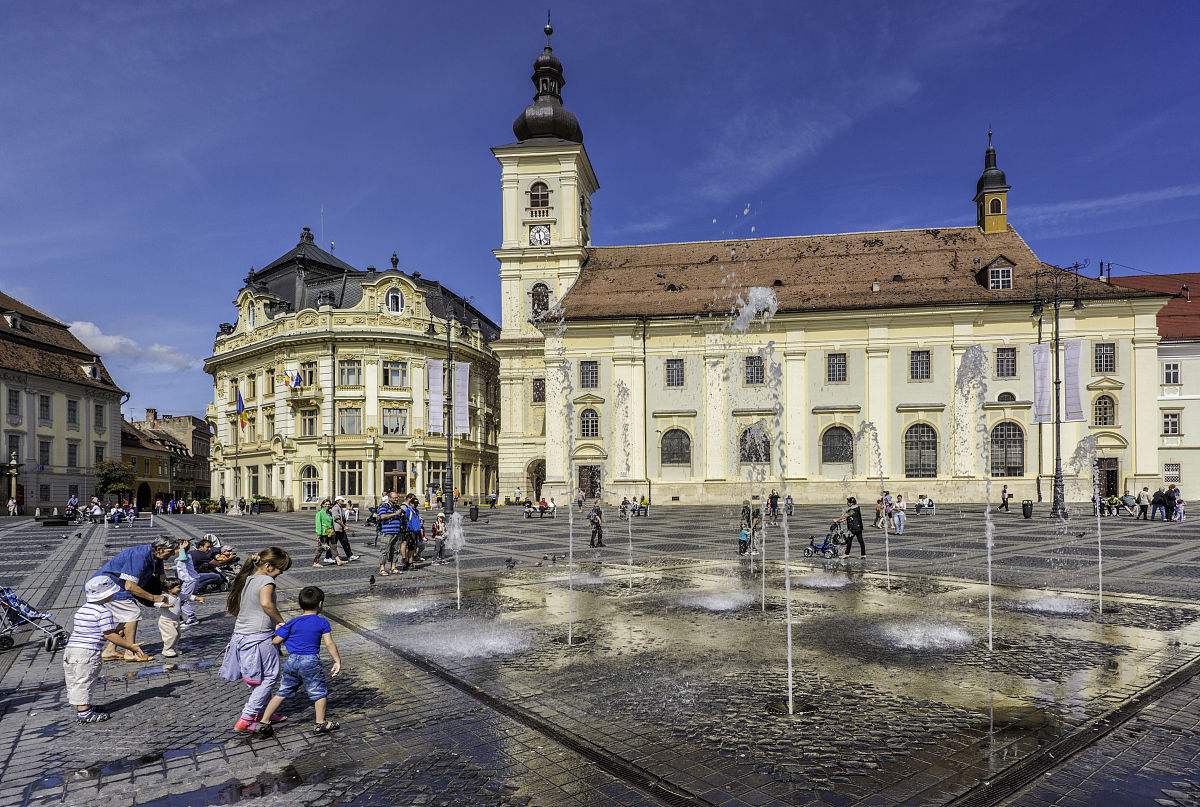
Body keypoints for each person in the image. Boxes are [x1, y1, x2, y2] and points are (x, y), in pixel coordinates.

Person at [220, 546, 292, 732]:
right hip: (258, 637)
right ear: (268, 566)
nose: (280, 573)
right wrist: (281, 622)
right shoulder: (267, 580)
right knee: (269, 676)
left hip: (242, 636)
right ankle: (247, 717)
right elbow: (266, 604)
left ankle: (264, 712)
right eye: (279, 569)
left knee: (258, 679)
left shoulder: (249, 578)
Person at [253, 586, 343, 736]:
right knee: (319, 692)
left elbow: (275, 641)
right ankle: (320, 723)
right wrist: (337, 660)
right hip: (310, 661)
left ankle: (264, 721)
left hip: (292, 661)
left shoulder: (292, 622)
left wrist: (278, 630)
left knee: (282, 691)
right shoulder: (322, 622)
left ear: (300, 604)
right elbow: (329, 643)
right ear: (320, 604)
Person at [64, 576, 147, 723]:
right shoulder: (103, 612)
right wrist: (130, 645)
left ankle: (84, 707)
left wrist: (117, 628)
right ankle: (84, 713)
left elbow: (93, 629)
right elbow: (109, 635)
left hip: (72, 649)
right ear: (108, 594)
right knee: (86, 679)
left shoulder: (82, 609)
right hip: (87, 652)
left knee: (75, 679)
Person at [92, 536, 176, 662]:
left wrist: (171, 594)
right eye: (170, 552)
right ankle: (131, 652)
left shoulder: (157, 557)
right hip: (107, 586)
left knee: (126, 620)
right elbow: (130, 586)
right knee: (132, 614)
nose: (172, 555)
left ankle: (110, 650)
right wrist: (154, 598)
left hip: (117, 587)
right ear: (159, 549)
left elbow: (162, 579)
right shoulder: (140, 556)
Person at [377, 491, 404, 576]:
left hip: (396, 531)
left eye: (397, 497)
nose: (397, 499)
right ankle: (382, 568)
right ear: (389, 498)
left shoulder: (397, 507)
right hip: (387, 532)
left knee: (395, 551)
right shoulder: (384, 506)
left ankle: (393, 567)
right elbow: (382, 516)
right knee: (384, 550)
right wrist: (395, 514)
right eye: (395, 498)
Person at [155, 577, 184, 658]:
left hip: (176, 620)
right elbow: (156, 603)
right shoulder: (165, 596)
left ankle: (174, 648)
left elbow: (187, 596)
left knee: (177, 635)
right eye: (178, 587)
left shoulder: (178, 596)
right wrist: (166, 605)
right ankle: (167, 650)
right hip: (166, 621)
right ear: (169, 588)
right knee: (172, 635)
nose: (180, 589)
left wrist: (197, 598)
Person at [312, 499, 342, 567]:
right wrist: (318, 534)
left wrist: (334, 530)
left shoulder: (329, 513)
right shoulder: (319, 513)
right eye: (326, 504)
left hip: (330, 532)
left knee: (333, 546)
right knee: (321, 548)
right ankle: (315, 562)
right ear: (322, 505)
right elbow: (318, 524)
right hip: (323, 533)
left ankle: (338, 560)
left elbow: (332, 523)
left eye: (328, 504)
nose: (327, 505)